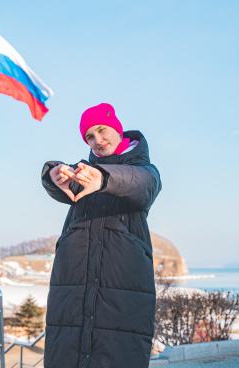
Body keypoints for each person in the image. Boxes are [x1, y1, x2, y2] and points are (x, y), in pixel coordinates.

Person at [41, 103, 162, 368]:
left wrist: (103, 178)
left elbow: (141, 184)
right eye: (90, 136)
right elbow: (61, 182)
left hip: (121, 295)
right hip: (72, 291)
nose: (97, 140)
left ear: (117, 129)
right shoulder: (84, 172)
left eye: (101, 130)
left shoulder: (145, 171)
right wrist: (52, 174)